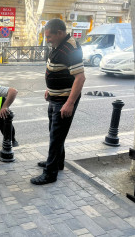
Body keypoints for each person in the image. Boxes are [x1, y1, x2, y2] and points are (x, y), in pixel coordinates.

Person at [30, 19, 86, 185]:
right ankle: (57, 163)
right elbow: (58, 70)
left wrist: (69, 103)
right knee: (55, 134)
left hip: (63, 101)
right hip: (55, 97)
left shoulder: (72, 48)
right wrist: (50, 89)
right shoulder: (59, 45)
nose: (47, 39)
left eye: (49, 36)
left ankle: (50, 173)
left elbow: (80, 78)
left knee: (56, 137)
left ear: (59, 33)